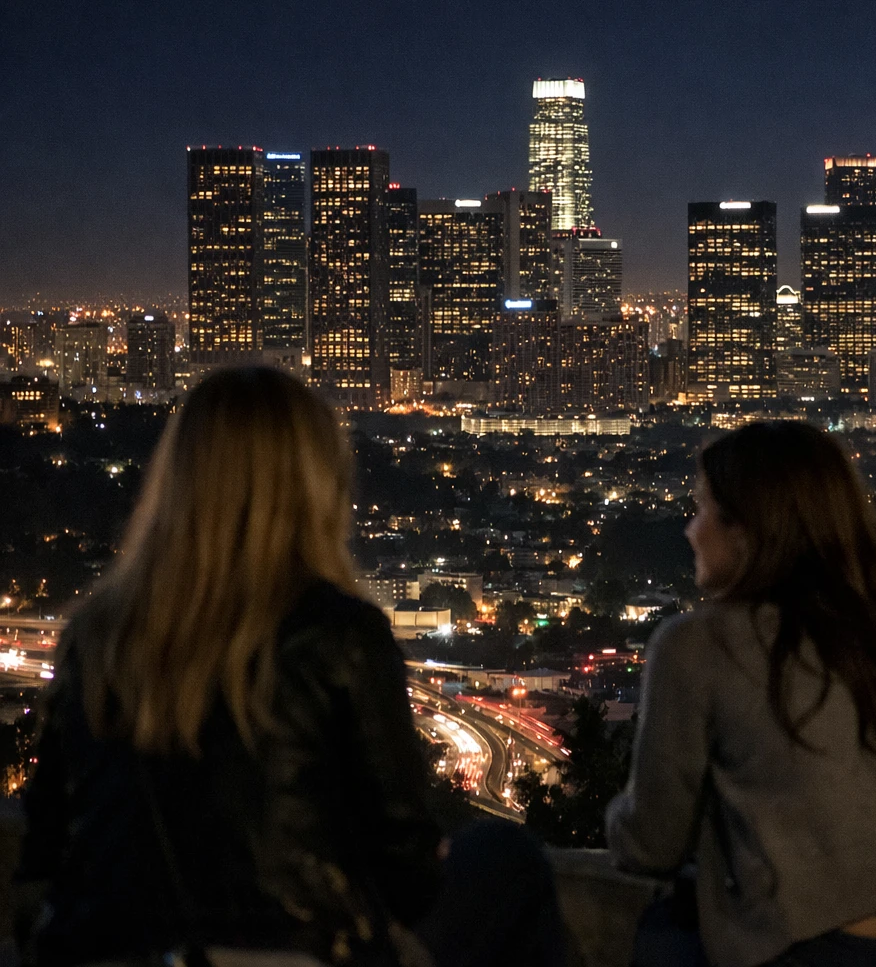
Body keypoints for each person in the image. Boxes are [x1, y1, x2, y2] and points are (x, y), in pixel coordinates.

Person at [15, 367, 563, 967]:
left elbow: (45, 844)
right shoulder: (341, 636)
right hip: (299, 949)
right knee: (508, 857)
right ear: (315, 484)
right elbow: (404, 868)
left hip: (107, 948)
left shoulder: (96, 635)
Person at [607, 420, 876, 967]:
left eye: (702, 510)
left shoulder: (700, 643)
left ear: (746, 530)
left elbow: (651, 841)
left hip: (831, 946)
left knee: (664, 929)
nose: (689, 530)